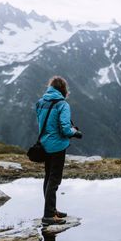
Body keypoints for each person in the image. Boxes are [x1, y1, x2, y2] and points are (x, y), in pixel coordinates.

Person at [36, 76, 82, 224]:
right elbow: (65, 129)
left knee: (48, 177)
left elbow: (43, 123)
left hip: (45, 144)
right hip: (57, 146)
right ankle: (49, 215)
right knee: (54, 179)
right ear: (63, 89)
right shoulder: (62, 105)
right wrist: (74, 132)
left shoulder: (41, 102)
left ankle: (52, 209)